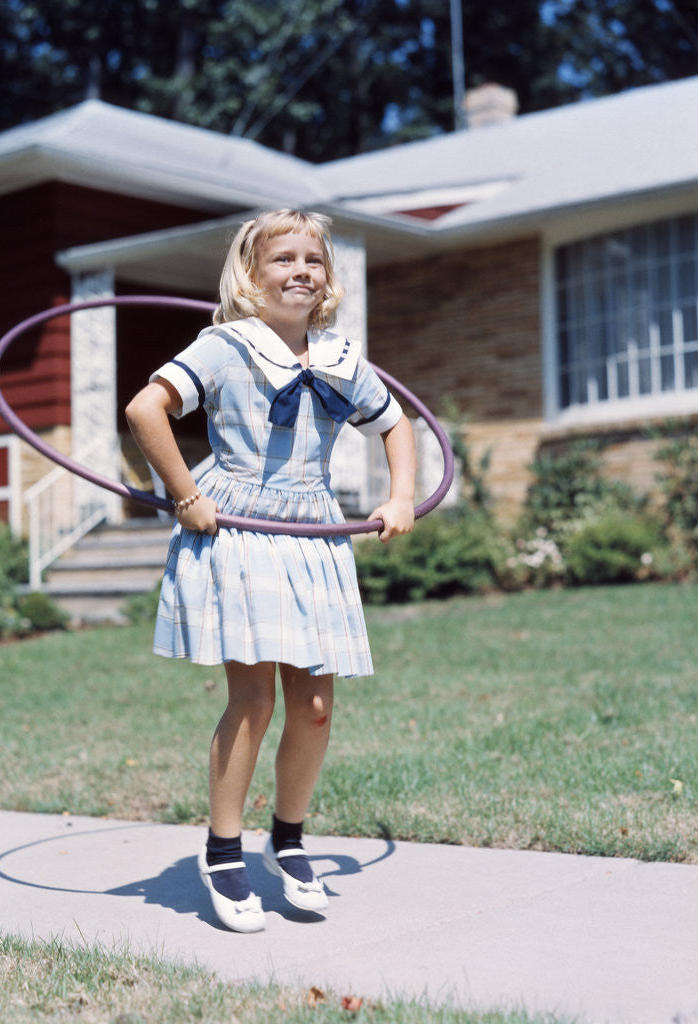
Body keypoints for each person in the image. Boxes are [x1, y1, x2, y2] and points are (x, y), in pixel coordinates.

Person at [125, 209, 416, 933]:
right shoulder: (225, 347)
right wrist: (184, 495)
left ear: (327, 279)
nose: (300, 271)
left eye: (312, 259)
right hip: (239, 526)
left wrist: (401, 493)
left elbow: (397, 424)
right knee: (252, 700)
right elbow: (144, 408)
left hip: (311, 529)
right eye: (282, 259)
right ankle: (223, 849)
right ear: (250, 277)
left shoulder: (341, 357)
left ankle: (288, 837)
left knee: (315, 707)